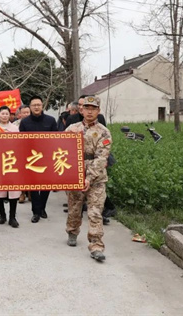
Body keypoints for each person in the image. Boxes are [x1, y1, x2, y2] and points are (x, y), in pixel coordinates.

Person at [65, 96, 112, 262]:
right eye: (87, 108)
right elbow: (61, 150)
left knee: (95, 212)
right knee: (74, 207)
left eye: (93, 108)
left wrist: (89, 178)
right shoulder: (72, 128)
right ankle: (72, 231)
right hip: (74, 175)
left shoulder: (104, 132)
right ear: (81, 110)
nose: (90, 111)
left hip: (96, 178)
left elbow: (101, 158)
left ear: (98, 111)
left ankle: (96, 245)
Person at [19, 96, 58, 223]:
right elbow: (22, 141)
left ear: (42, 106)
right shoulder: (24, 122)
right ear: (29, 107)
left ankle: (42, 208)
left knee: (46, 185)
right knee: (34, 186)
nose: (36, 107)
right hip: (31, 159)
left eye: (39, 105)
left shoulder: (51, 121)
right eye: (34, 105)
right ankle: (36, 212)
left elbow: (56, 139)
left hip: (47, 157)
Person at [0, 106, 21, 228]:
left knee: (13, 191)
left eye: (6, 113)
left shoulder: (15, 128)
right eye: (2, 113)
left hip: (12, 161)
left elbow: (18, 144)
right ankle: (2, 215)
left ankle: (12, 217)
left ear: (10, 115)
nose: (4, 116)